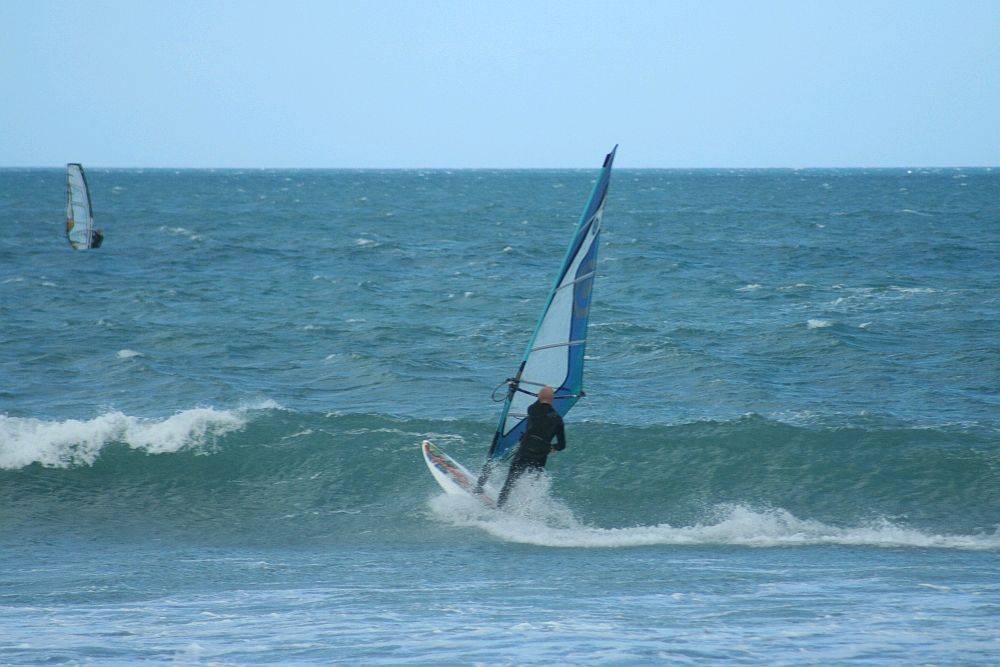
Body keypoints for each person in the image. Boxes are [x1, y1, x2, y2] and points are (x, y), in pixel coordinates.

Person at [496, 385, 566, 507]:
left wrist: (513, 388)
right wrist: (551, 448)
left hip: (525, 451)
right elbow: (562, 445)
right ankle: (527, 512)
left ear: (539, 397)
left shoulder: (532, 410)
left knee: (510, 481)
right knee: (532, 486)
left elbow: (538, 404)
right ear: (552, 399)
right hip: (540, 457)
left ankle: (500, 506)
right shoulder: (558, 419)